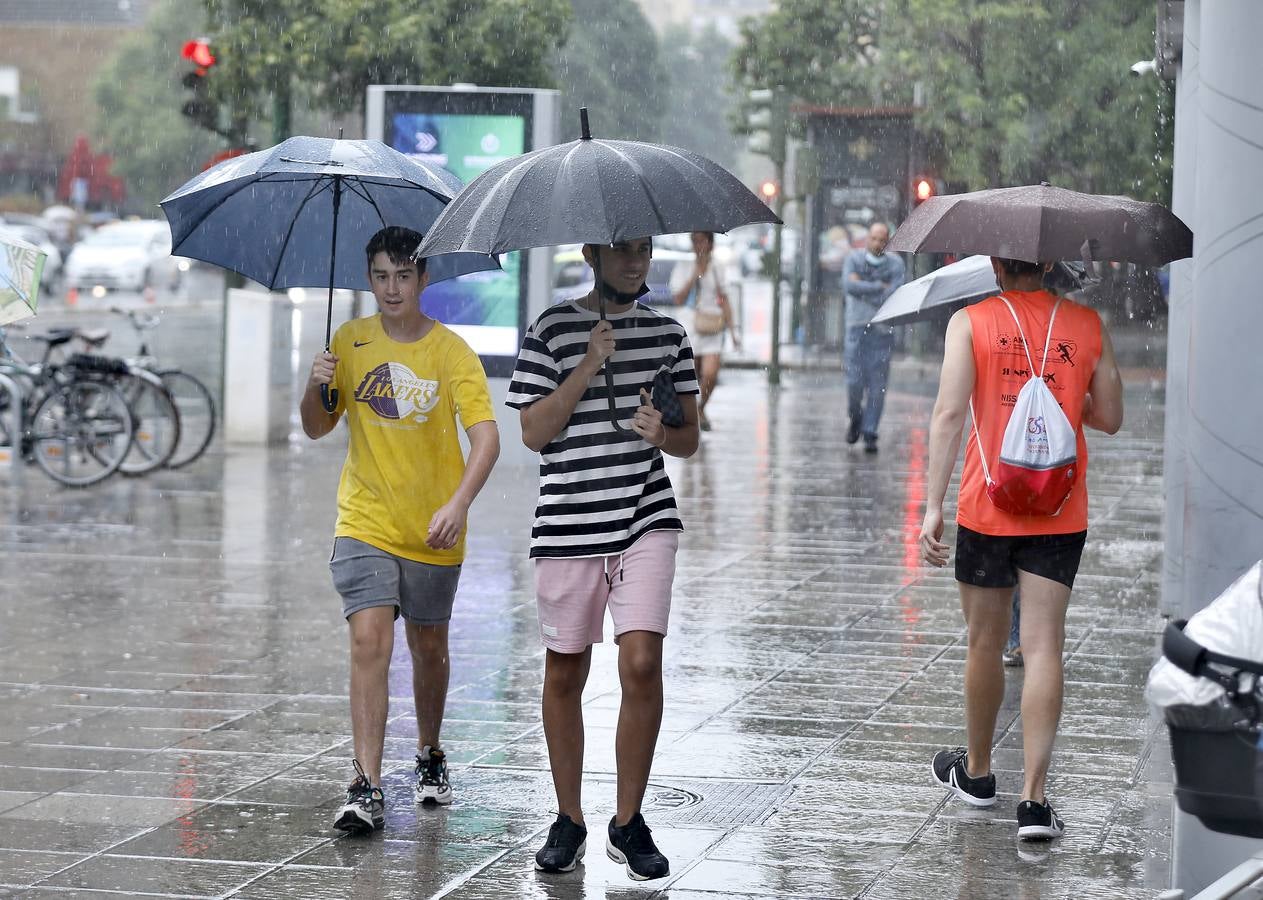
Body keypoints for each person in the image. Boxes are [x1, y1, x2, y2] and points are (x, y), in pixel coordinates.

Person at [506, 236, 700, 880]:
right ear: (592, 254)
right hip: (567, 524)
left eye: (643, 250)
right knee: (565, 671)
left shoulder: (668, 336)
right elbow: (534, 433)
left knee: (642, 661)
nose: (636, 262)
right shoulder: (552, 330)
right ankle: (569, 818)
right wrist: (587, 365)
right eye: (622, 251)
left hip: (645, 516)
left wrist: (663, 434)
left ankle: (628, 819)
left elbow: (689, 437)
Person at [301, 225, 501, 834]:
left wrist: (459, 503)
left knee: (429, 648)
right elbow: (315, 426)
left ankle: (430, 752)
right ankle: (366, 782)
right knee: (369, 641)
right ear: (369, 279)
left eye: (404, 275)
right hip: (364, 520)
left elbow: (486, 438)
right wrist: (317, 383)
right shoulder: (349, 341)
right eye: (382, 276)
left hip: (434, 530)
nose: (392, 288)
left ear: (423, 280)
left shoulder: (450, 352)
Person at [919, 256, 1123, 842]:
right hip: (1060, 508)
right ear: (1051, 264)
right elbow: (1109, 416)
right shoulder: (1087, 324)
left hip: (987, 505)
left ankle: (979, 774)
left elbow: (950, 413)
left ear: (994, 264)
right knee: (1043, 646)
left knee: (984, 642)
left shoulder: (970, 322)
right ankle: (1034, 801)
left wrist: (932, 505)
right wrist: (1067, 401)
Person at [842, 223, 906, 452]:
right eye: (874, 238)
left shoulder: (896, 264)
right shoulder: (853, 259)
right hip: (856, 329)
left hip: (882, 331)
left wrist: (863, 286)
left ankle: (870, 431)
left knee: (878, 385)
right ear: (867, 239)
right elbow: (849, 286)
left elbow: (894, 293)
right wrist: (879, 286)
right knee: (854, 382)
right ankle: (856, 416)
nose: (877, 243)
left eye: (882, 239)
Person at [669, 231, 739, 432]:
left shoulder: (718, 267)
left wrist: (734, 332)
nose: (697, 245)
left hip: (712, 326)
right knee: (694, 376)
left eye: (701, 240)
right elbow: (678, 299)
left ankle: (699, 409)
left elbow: (725, 300)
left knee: (710, 374)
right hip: (691, 325)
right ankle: (695, 414)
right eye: (694, 240)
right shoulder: (684, 267)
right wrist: (694, 275)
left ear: (710, 243)